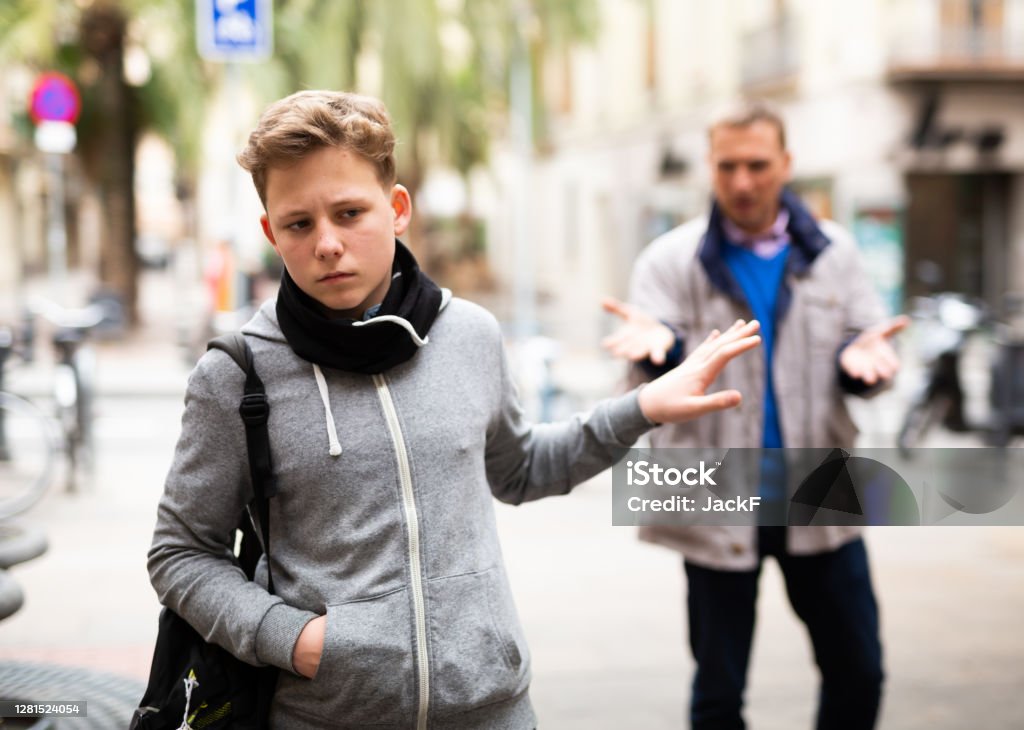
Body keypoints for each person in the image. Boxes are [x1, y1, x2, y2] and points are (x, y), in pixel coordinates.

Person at [146, 89, 761, 730]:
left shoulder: (470, 334)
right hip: (324, 715)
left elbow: (520, 469)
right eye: (299, 224)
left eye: (350, 212)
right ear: (272, 232)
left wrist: (640, 408)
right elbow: (180, 552)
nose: (327, 242)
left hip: (492, 710)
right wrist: (291, 639)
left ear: (397, 208)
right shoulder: (237, 373)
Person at [602, 99, 908, 730]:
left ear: (787, 163)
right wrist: (660, 355)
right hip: (715, 496)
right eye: (728, 165)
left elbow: (867, 351)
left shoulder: (836, 255)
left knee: (860, 670)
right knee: (718, 692)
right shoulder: (669, 261)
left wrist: (862, 360)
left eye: (758, 165)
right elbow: (647, 372)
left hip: (819, 492)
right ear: (711, 167)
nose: (743, 182)